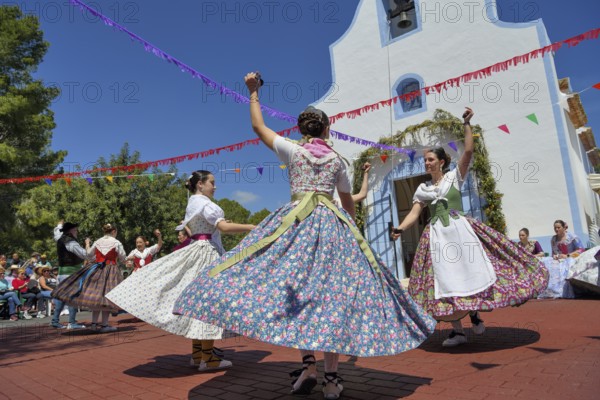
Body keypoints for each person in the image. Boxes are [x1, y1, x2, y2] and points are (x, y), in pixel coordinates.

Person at [173, 72, 436, 399]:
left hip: (296, 225)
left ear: (301, 130)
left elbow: (258, 127)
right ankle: (331, 378)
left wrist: (253, 92)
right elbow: (346, 203)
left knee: (297, 295)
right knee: (331, 299)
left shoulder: (293, 151)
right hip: (331, 227)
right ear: (327, 130)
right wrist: (353, 231)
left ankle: (308, 366)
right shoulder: (338, 160)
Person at [391, 107, 549, 348]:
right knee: (443, 280)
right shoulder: (422, 189)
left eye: (430, 159)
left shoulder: (455, 177)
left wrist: (466, 125)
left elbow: (468, 150)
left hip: (460, 231)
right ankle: (457, 331)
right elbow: (414, 212)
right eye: (425, 160)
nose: (426, 163)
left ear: (441, 162)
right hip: (437, 236)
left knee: (470, 272)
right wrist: (401, 229)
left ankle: (475, 314)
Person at [107, 171, 255, 372]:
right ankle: (209, 358)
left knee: (196, 302)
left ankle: (198, 355)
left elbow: (206, 227)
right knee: (209, 302)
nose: (215, 186)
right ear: (200, 184)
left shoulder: (193, 202)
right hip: (206, 252)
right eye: (212, 182)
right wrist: (251, 227)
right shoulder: (205, 203)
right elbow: (223, 227)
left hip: (197, 249)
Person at [53, 223, 126, 332]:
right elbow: (122, 256)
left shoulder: (96, 241)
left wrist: (89, 247)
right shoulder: (116, 242)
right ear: (114, 231)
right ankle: (102, 325)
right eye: (75, 230)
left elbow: (89, 254)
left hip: (96, 270)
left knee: (96, 296)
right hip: (107, 270)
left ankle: (93, 323)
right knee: (105, 297)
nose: (77, 232)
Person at [51, 221, 88, 329]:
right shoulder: (71, 242)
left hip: (62, 273)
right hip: (71, 273)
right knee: (73, 297)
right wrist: (88, 246)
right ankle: (72, 322)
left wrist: (58, 226)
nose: (77, 232)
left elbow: (57, 233)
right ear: (71, 231)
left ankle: (55, 321)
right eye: (75, 230)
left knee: (62, 297)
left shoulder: (60, 238)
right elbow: (84, 254)